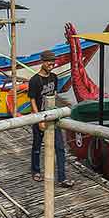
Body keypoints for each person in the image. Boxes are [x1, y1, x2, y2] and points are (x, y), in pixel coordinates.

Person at [26, 50, 74, 188]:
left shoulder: (54, 77)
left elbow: (55, 95)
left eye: (53, 62)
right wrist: (39, 119)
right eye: (48, 61)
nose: (51, 64)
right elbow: (32, 100)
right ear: (43, 62)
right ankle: (35, 170)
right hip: (40, 116)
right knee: (37, 146)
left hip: (53, 117)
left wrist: (61, 110)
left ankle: (62, 178)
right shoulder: (35, 80)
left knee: (60, 147)